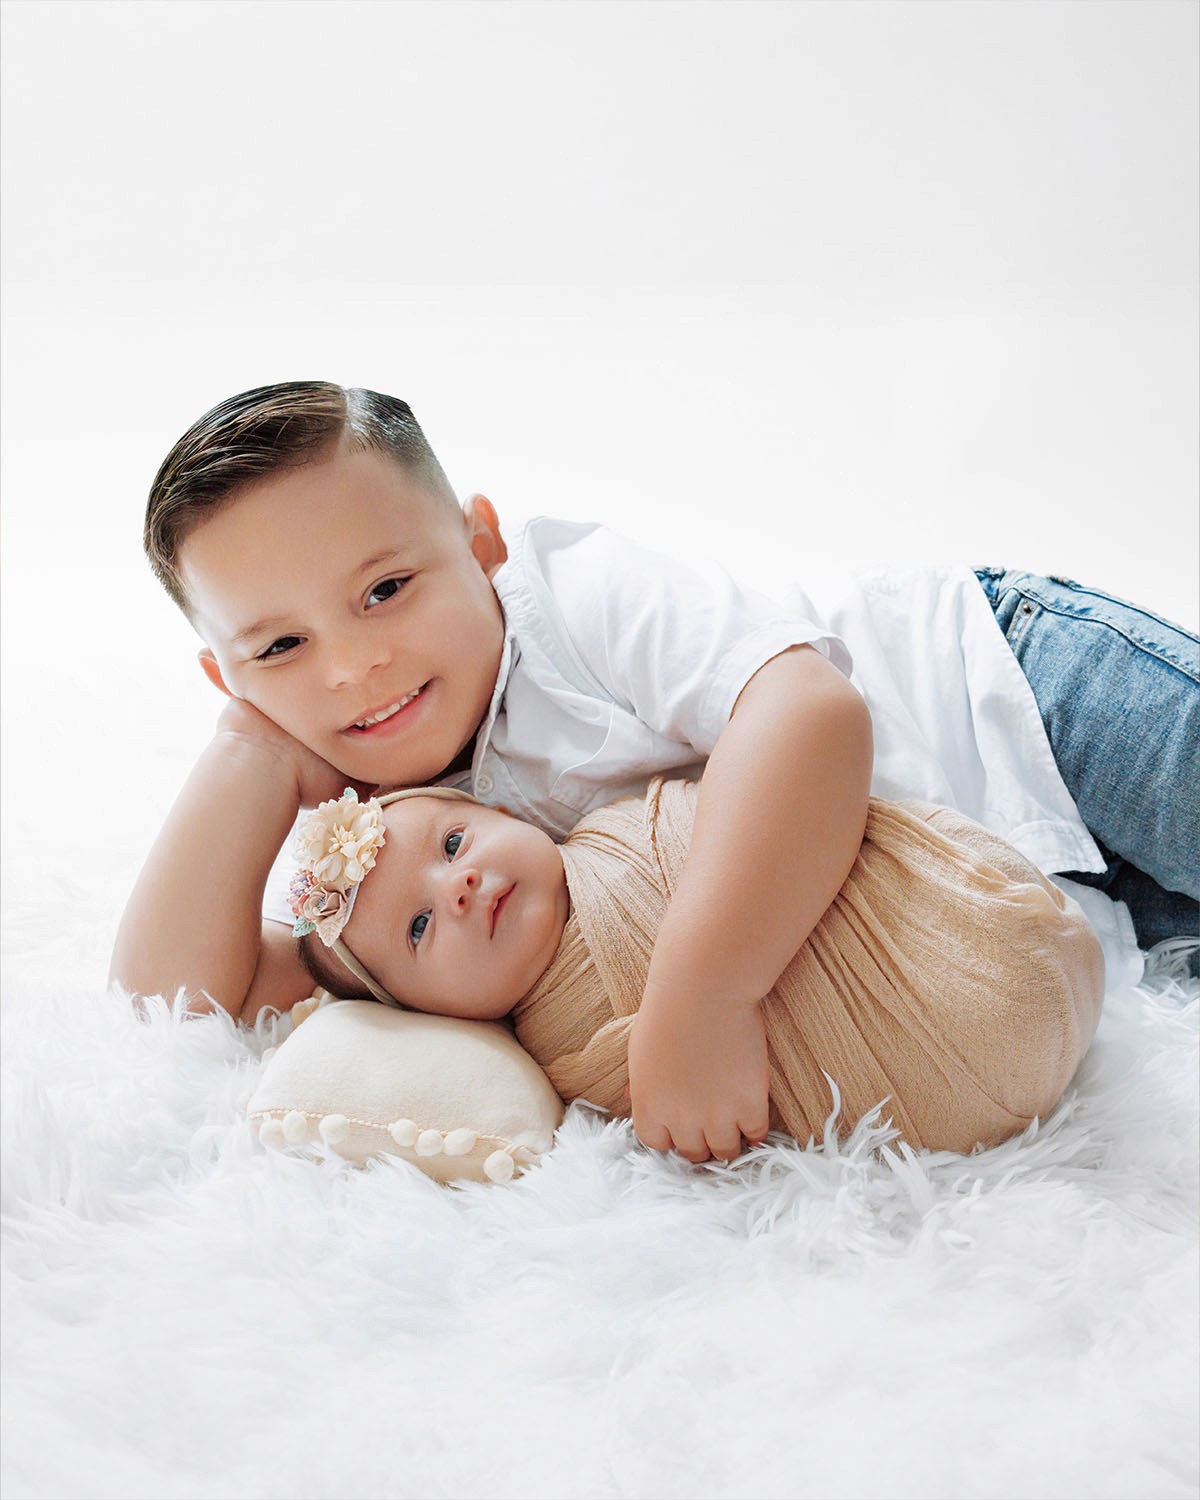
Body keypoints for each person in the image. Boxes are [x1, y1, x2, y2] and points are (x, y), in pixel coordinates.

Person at [110, 381, 1199, 1163]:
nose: (356, 665)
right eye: (279, 647)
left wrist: (701, 996)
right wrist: (248, 746)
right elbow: (179, 1002)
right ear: (225, 673)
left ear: (479, 540)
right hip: (1037, 905)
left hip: (1019, 701)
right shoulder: (384, 844)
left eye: (387, 588)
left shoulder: (572, 596)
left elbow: (809, 714)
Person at [283, 781, 1105, 1159]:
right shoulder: (565, 1055)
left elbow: (776, 818)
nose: (457, 887)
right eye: (421, 926)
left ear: (503, 813)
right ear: (427, 1014)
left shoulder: (623, 825)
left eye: (454, 843)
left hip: (965, 917)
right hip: (952, 1055)